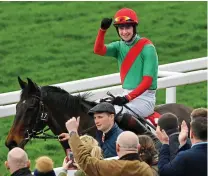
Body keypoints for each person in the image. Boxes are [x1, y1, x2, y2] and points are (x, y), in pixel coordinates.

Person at [94, 7, 158, 119]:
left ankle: (146, 136)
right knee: (96, 107)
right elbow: (98, 50)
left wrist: (127, 98)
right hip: (126, 94)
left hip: (145, 98)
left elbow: (147, 81)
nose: (124, 32)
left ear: (134, 28)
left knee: (114, 114)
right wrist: (102, 30)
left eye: (127, 27)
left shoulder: (148, 48)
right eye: (121, 28)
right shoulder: (119, 46)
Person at [65, 117, 154, 176]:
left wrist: (72, 132)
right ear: (138, 148)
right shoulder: (147, 170)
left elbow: (84, 160)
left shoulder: (110, 167)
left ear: (117, 147)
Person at [156, 108, 207, 176]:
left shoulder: (184, 156)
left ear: (191, 134)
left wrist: (165, 143)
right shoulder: (185, 156)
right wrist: (183, 144)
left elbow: (164, 171)